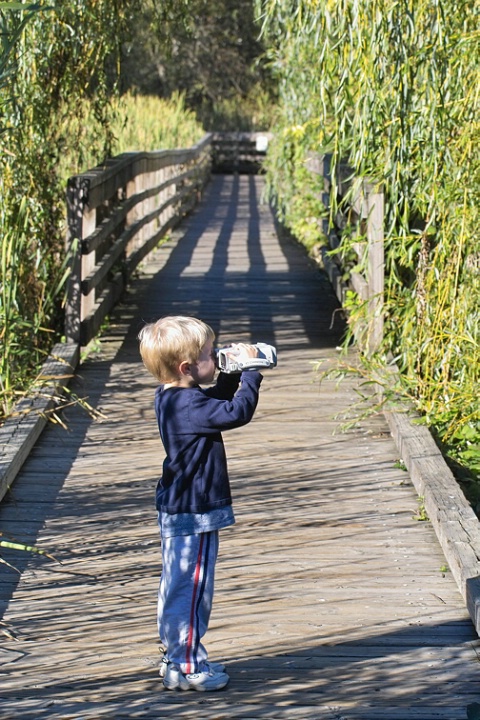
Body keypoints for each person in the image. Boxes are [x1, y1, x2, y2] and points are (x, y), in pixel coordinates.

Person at [138, 315, 263, 692]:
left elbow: (212, 403)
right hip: (195, 512)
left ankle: (176, 655)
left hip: (178, 506)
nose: (218, 355)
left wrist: (229, 374)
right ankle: (188, 665)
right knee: (192, 589)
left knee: (175, 586)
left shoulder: (171, 396)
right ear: (187, 367)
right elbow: (235, 412)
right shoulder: (190, 404)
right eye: (211, 353)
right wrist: (252, 372)